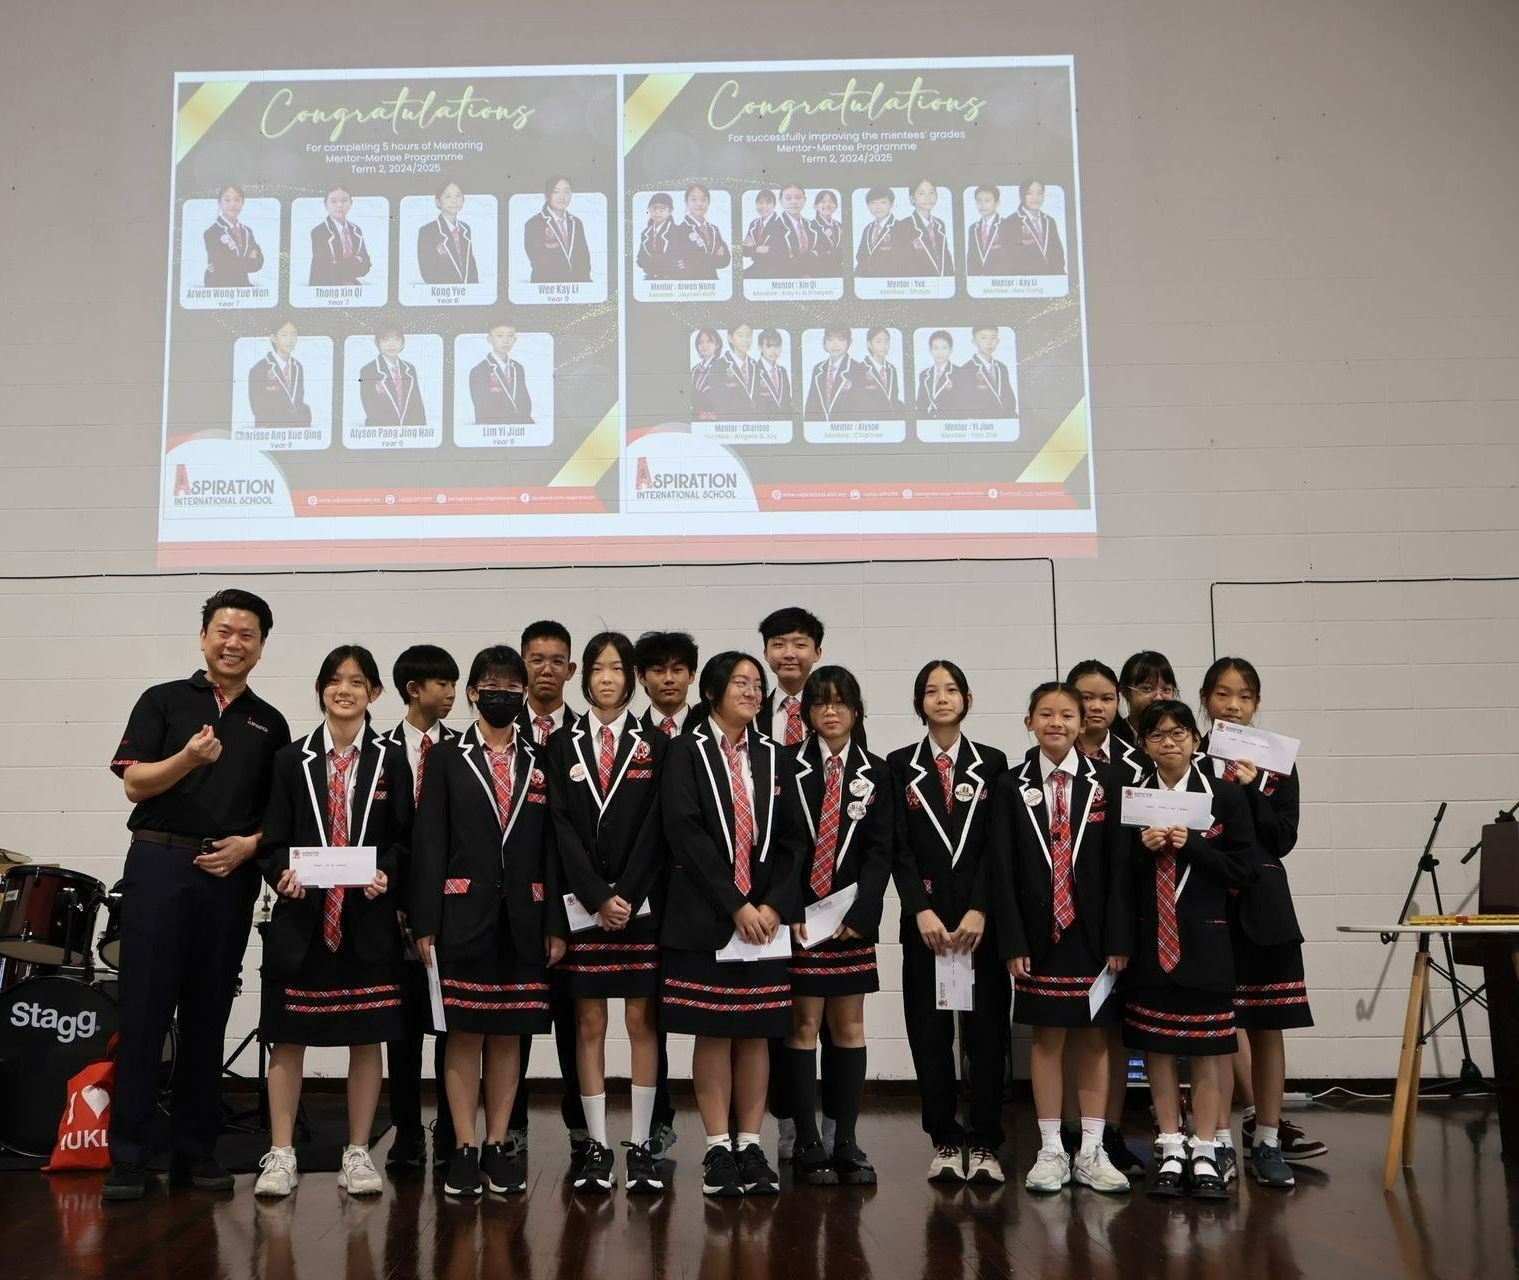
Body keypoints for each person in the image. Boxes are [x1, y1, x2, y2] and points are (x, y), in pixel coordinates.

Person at [103, 589, 292, 1202]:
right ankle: (128, 1155)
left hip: (227, 876)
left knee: (209, 1012)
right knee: (144, 1012)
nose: (234, 642)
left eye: (247, 634)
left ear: (262, 646)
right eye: (223, 630)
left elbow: (277, 818)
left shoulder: (270, 722)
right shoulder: (163, 700)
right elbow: (134, 784)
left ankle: (196, 1148)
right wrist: (185, 757)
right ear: (204, 637)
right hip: (159, 864)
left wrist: (249, 847)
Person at [254, 646, 411, 1199]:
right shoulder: (289, 759)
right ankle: (281, 1152)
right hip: (303, 921)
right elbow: (272, 841)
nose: (344, 689)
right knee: (287, 1038)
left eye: (356, 681)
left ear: (375, 692)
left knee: (366, 1039)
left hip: (365, 921)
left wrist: (386, 874)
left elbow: (401, 841)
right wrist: (281, 875)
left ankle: (358, 1150)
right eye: (334, 680)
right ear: (320, 689)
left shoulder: (391, 759)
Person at [410, 645, 565, 1198]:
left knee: (508, 1036)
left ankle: (498, 1145)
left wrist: (555, 923)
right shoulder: (446, 757)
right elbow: (429, 843)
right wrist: (425, 920)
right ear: (473, 692)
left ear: (524, 695)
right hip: (461, 915)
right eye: (491, 684)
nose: (503, 693)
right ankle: (463, 1145)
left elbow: (551, 849)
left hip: (525, 917)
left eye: (512, 685)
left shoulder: (540, 759)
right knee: (464, 1033)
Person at [660, 651, 805, 1197]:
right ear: (713, 691)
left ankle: (751, 1144)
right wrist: (735, 905)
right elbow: (685, 831)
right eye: (740, 682)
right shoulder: (684, 751)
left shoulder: (775, 756)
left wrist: (772, 907)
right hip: (709, 917)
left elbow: (795, 841)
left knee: (758, 1033)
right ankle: (718, 1148)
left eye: (757, 684)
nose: (752, 691)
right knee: (715, 1029)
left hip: (765, 923)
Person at [991, 682, 1132, 1196]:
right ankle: (1051, 1147)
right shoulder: (1010, 784)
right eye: (1046, 713)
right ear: (1028, 720)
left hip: (1094, 937)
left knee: (1095, 1039)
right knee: (1047, 1040)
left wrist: (1120, 935)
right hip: (1037, 935)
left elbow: (1122, 868)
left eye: (1067, 714)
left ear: (1083, 722)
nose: (1057, 722)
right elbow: (1001, 871)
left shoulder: (1110, 780)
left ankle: (1092, 1149)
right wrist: (1012, 940)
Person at [548, 632, 671, 1196]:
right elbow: (562, 831)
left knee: (642, 1023)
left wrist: (628, 892)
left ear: (632, 677)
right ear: (584, 677)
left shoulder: (659, 742)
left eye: (616, 668)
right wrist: (597, 895)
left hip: (640, 909)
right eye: (596, 669)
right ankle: (595, 1143)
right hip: (586, 908)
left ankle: (643, 1144)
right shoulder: (560, 743)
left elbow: (658, 830)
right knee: (589, 1024)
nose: (605, 678)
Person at [1124, 699, 1257, 1201]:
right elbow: (1114, 874)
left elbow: (1243, 870)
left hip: (1205, 940)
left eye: (1179, 733)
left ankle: (1206, 1146)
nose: (1169, 742)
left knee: (1205, 1050)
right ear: (1144, 745)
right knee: (1157, 1046)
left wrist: (1194, 845)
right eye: (1157, 735)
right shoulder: (1133, 797)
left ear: (1196, 741)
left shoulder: (1222, 796)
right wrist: (1143, 850)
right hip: (1149, 941)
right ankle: (1169, 1141)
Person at [1199, 658, 1321, 1188]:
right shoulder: (1191, 756)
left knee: (1268, 1028)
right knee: (1217, 1029)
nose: (1233, 706)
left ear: (1256, 704)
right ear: (1206, 699)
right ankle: (1220, 1141)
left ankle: (1268, 1138)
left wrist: (1250, 788)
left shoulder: (1278, 764)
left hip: (1266, 910)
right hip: (1207, 908)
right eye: (1223, 695)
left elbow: (1282, 840)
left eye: (1244, 697)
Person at [889, 659, 1010, 1185]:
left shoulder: (994, 762)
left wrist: (981, 907)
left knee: (985, 1034)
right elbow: (897, 848)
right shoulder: (897, 765)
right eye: (932, 691)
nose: (942, 698)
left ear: (967, 699)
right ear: (919, 703)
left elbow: (998, 847)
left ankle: (984, 1141)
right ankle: (943, 1138)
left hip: (980, 925)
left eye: (952, 689)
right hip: (927, 926)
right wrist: (921, 909)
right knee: (929, 1033)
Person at [781, 666, 892, 1187]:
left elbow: (879, 851)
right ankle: (805, 1140)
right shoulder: (786, 767)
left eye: (840, 702)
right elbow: (780, 850)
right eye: (821, 702)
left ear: (856, 709)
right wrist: (792, 909)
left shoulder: (878, 771)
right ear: (807, 712)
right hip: (804, 924)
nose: (830, 710)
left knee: (848, 1029)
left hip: (850, 924)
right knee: (802, 1029)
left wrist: (862, 913)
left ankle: (844, 1138)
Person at [378, 644, 459, 1171]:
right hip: (389, 907)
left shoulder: (464, 748)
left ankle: (453, 1132)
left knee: (452, 1025)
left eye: (455, 684)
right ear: (414, 689)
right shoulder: (379, 750)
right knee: (402, 1027)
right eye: (443, 684)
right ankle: (406, 1131)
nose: (453, 693)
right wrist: (397, 902)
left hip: (454, 911)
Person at [507, 621, 585, 1162]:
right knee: (512, 1018)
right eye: (537, 659)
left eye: (558, 660)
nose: (547, 669)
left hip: (572, 897)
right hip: (507, 898)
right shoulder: (493, 730)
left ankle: (583, 1126)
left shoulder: (587, 736)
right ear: (522, 665)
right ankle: (509, 1125)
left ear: (571, 670)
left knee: (575, 1020)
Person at [633, 629, 700, 1157]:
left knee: (706, 1013)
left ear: (693, 676)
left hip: (703, 896)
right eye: (658, 669)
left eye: (679, 668)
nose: (669, 678)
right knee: (649, 1014)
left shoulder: (713, 730)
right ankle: (656, 1118)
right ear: (642, 678)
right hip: (642, 897)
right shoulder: (628, 736)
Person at [524, 176, 592, 284]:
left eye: (566, 192)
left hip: (576, 287)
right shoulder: (533, 224)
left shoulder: (577, 223)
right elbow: (538, 261)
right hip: (547, 286)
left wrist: (582, 283)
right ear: (547, 195)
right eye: (556, 192)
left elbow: (584, 258)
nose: (562, 197)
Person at [248, 320, 312, 430]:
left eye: (294, 335)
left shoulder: (298, 367)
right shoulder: (260, 368)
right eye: (284, 335)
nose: (290, 340)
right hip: (270, 429)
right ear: (273, 338)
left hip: (295, 429)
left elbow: (298, 399)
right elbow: (257, 405)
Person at [468, 321, 533, 426]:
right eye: (500, 335)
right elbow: (483, 407)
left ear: (515, 340)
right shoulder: (479, 370)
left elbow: (525, 402)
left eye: (510, 336)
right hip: (493, 427)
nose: (505, 340)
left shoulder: (518, 368)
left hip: (519, 427)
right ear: (489, 339)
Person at [359, 326, 425, 428]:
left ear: (402, 342)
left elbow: (417, 405)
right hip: (381, 432)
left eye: (396, 339)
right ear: (377, 342)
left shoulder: (410, 369)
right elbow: (370, 408)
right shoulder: (368, 370)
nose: (392, 344)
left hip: (408, 433)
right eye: (386, 339)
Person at [417, 181, 478, 285]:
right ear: (438, 202)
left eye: (458, 196)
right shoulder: (427, 231)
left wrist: (472, 290)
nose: (454, 201)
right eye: (448, 196)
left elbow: (470, 265)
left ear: (463, 200)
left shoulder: (465, 229)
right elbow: (427, 271)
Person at [1113, 651, 1178, 748]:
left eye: (1166, 689)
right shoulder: (1112, 739)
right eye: (1148, 689)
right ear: (1125, 691)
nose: (1158, 697)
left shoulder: (1181, 738)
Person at [203, 184, 264, 287]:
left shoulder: (247, 231)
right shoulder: (211, 232)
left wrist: (234, 263)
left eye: (237, 200)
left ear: (243, 203)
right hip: (218, 286)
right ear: (219, 202)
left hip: (242, 284)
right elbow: (222, 265)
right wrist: (249, 261)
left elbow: (259, 262)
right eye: (227, 200)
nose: (232, 204)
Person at [309, 187, 372, 287]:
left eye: (344, 200)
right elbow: (325, 270)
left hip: (349, 281)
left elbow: (366, 266)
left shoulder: (356, 230)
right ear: (326, 205)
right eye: (334, 201)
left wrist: (338, 264)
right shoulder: (319, 232)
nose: (339, 205)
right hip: (324, 285)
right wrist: (356, 260)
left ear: (351, 203)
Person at [670, 184, 730, 280]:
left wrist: (695, 261)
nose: (699, 204)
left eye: (703, 199)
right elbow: (682, 263)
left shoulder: (714, 230)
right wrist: (715, 257)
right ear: (686, 203)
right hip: (691, 284)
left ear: (708, 202)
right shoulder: (679, 231)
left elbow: (725, 260)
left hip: (713, 284)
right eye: (694, 199)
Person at [955, 325, 1017, 417]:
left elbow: (1010, 400)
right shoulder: (965, 370)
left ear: (998, 341)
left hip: (1004, 423)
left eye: (993, 338)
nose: (989, 342)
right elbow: (966, 404)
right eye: (984, 338)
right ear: (974, 341)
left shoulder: (1002, 368)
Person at [804, 326, 861, 422]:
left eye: (841, 340)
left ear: (849, 342)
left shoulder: (858, 369)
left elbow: (862, 407)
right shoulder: (818, 369)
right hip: (821, 431)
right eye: (830, 340)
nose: (835, 345)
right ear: (824, 343)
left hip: (846, 430)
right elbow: (811, 405)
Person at [1010, 180, 1065, 274]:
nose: (1035, 198)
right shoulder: (1011, 222)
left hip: (1051, 281)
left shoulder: (1049, 221)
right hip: (1027, 284)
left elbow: (1058, 254)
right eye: (1029, 193)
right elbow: (1010, 260)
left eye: (1040, 193)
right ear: (1021, 196)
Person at [709, 324, 761, 419]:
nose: (745, 340)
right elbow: (718, 403)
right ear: (730, 338)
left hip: (756, 427)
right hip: (731, 425)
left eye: (749, 336)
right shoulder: (718, 366)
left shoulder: (756, 366)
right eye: (740, 335)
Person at [904, 179, 952, 277]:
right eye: (922, 193)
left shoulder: (940, 224)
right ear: (912, 199)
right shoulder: (904, 225)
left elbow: (945, 257)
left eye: (931, 192)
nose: (928, 197)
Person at [966, 184, 1015, 276]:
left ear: (997, 203)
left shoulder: (1008, 226)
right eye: (979, 201)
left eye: (987, 201)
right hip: (979, 283)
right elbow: (971, 259)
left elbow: (1013, 258)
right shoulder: (973, 228)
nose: (982, 205)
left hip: (1000, 282)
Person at [854, 327, 903, 416]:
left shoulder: (891, 369)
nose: (883, 346)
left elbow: (893, 398)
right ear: (869, 344)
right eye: (878, 342)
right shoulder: (859, 369)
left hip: (891, 421)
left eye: (886, 341)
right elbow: (857, 401)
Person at [854, 186, 902, 277]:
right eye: (873, 203)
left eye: (883, 202)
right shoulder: (867, 229)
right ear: (868, 206)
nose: (878, 207)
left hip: (889, 283)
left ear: (891, 204)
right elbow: (861, 258)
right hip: (868, 282)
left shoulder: (900, 227)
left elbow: (903, 261)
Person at [773, 184, 818, 277]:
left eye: (798, 198)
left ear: (804, 200)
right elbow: (781, 263)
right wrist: (812, 255)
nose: (793, 202)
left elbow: (822, 253)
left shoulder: (813, 225)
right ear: (780, 201)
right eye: (788, 198)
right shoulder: (774, 226)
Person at [915, 330, 959, 419]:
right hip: (927, 423)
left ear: (951, 350)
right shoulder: (924, 375)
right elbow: (920, 403)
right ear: (930, 350)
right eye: (935, 348)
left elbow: (962, 403)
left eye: (944, 348)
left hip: (949, 424)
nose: (939, 352)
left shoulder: (959, 373)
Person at [636, 193, 678, 280]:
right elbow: (640, 260)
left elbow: (677, 259)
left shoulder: (677, 231)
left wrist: (653, 263)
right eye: (654, 208)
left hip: (672, 279)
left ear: (670, 211)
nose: (657, 212)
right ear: (649, 210)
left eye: (662, 209)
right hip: (650, 278)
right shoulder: (645, 233)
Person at [741, 188, 780, 278]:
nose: (763, 206)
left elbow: (776, 251)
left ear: (774, 205)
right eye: (760, 203)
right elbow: (745, 250)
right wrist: (759, 249)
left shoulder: (780, 223)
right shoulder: (754, 223)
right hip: (758, 266)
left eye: (767, 203)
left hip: (775, 268)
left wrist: (754, 247)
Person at [756, 329, 792, 417]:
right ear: (760, 347)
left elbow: (786, 401)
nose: (774, 351)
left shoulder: (782, 371)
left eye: (777, 346)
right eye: (769, 346)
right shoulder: (754, 370)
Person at [808, 188, 845, 274]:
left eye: (831, 201)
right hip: (819, 272)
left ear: (836, 206)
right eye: (823, 202)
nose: (827, 204)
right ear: (815, 206)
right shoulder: (810, 226)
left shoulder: (841, 226)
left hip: (839, 273)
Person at [690, 328, 722, 422]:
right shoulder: (694, 370)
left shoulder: (721, 367)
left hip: (713, 419)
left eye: (709, 342)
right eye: (700, 342)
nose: (704, 345)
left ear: (717, 345)